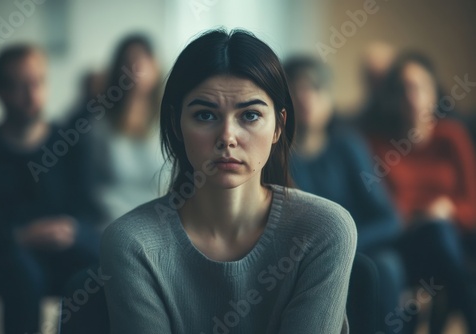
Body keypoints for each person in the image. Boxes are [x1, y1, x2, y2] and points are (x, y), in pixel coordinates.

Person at [100, 29, 357, 334]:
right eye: (205, 116)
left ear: (279, 126)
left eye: (249, 116)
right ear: (176, 124)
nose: (227, 138)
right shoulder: (133, 243)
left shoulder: (324, 230)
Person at [0, 45, 103, 334]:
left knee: (101, 265)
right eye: (20, 86)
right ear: (0, 91)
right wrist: (17, 236)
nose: (32, 95)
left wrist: (70, 227)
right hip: (2, 251)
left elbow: (87, 207)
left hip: (65, 243)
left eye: (37, 83)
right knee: (13, 268)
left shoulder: (70, 142)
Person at [284, 55, 406, 334]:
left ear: (329, 99)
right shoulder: (274, 155)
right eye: (296, 90)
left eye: (315, 89)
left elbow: (389, 218)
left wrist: (347, 245)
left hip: (358, 247)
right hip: (297, 257)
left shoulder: (348, 146)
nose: (305, 99)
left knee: (387, 266)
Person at [367, 52, 476, 334]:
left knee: (441, 234)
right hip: (407, 240)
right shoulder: (378, 145)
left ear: (434, 92)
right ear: (392, 96)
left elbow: (472, 203)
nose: (412, 96)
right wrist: (418, 216)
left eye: (420, 87)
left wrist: (449, 209)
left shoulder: (452, 136)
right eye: (404, 89)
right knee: (438, 237)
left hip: (452, 237)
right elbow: (385, 209)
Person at [89, 34, 170, 225]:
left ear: (156, 65)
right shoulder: (99, 128)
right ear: (118, 69)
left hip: (164, 223)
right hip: (113, 223)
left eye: (143, 59)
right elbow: (93, 188)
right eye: (129, 61)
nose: (137, 67)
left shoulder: (170, 122)